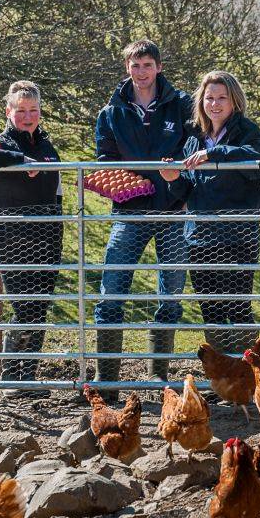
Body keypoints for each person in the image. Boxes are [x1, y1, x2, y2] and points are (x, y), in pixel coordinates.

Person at [93, 40, 192, 391]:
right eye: (135, 65)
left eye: (147, 64)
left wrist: (178, 188)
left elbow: (194, 151)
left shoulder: (182, 106)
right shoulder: (112, 112)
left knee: (172, 293)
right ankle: (106, 378)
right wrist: (128, 181)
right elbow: (103, 157)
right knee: (111, 292)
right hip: (129, 212)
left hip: (173, 212)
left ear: (159, 67)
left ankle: (158, 373)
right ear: (127, 68)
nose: (141, 71)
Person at [161, 71, 260, 353]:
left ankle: (249, 373)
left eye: (222, 97)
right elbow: (188, 191)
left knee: (237, 305)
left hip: (237, 235)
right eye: (209, 97)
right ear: (201, 101)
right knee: (210, 308)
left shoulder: (247, 132)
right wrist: (173, 179)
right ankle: (223, 375)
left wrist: (215, 154)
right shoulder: (194, 139)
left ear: (234, 100)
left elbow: (258, 155)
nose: (215, 104)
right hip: (201, 237)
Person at [0, 80, 63, 399]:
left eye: (33, 110)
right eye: (21, 110)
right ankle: (12, 376)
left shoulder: (48, 148)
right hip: (12, 236)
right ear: (8, 111)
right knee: (24, 306)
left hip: (47, 238)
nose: (27, 116)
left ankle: (28, 377)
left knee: (39, 308)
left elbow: (58, 191)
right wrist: (20, 161)